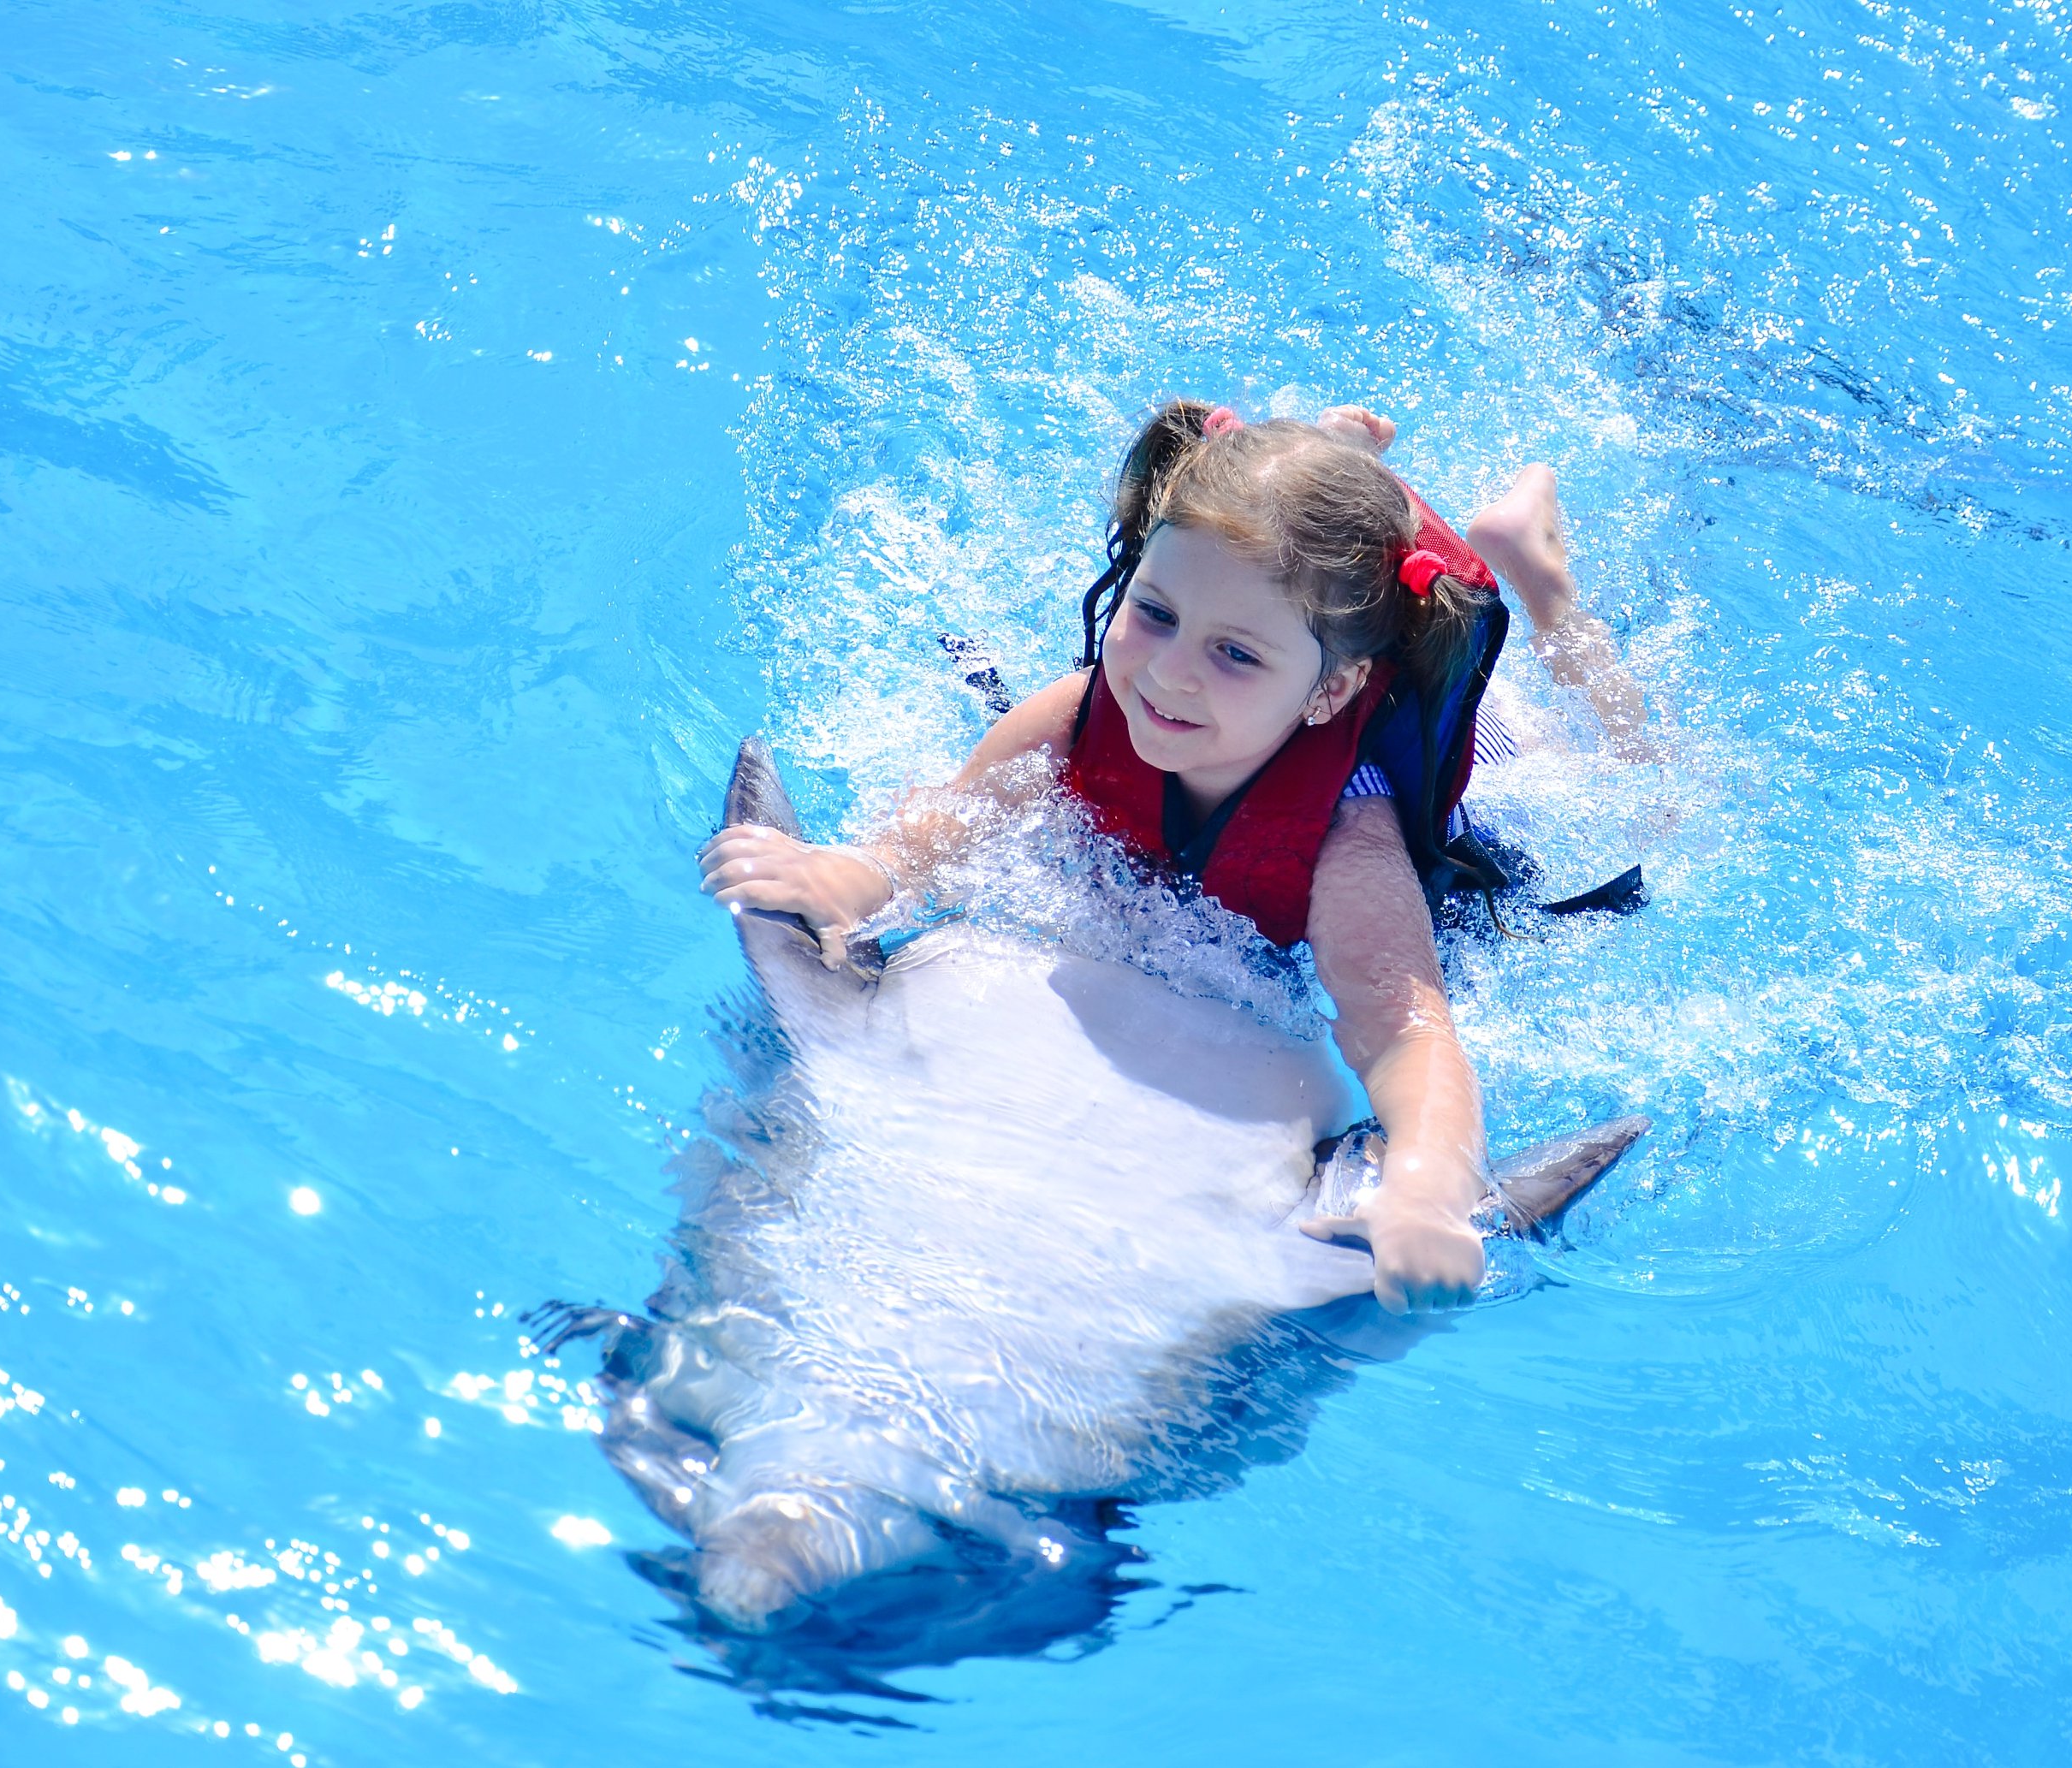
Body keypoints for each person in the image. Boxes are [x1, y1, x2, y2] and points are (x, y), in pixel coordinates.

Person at [701, 400, 1648, 1314]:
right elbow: (946, 825)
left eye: (1234, 653)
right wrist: (854, 874)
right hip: (1310, 641)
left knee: (1658, 799)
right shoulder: (1080, 714)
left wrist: (1429, 1185)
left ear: (1332, 690)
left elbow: (1408, 1037)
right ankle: (1330, 464)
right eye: (1154, 611)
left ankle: (1545, 584)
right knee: (1276, 574)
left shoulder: (1348, 849)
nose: (1166, 674)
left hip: (1499, 768)